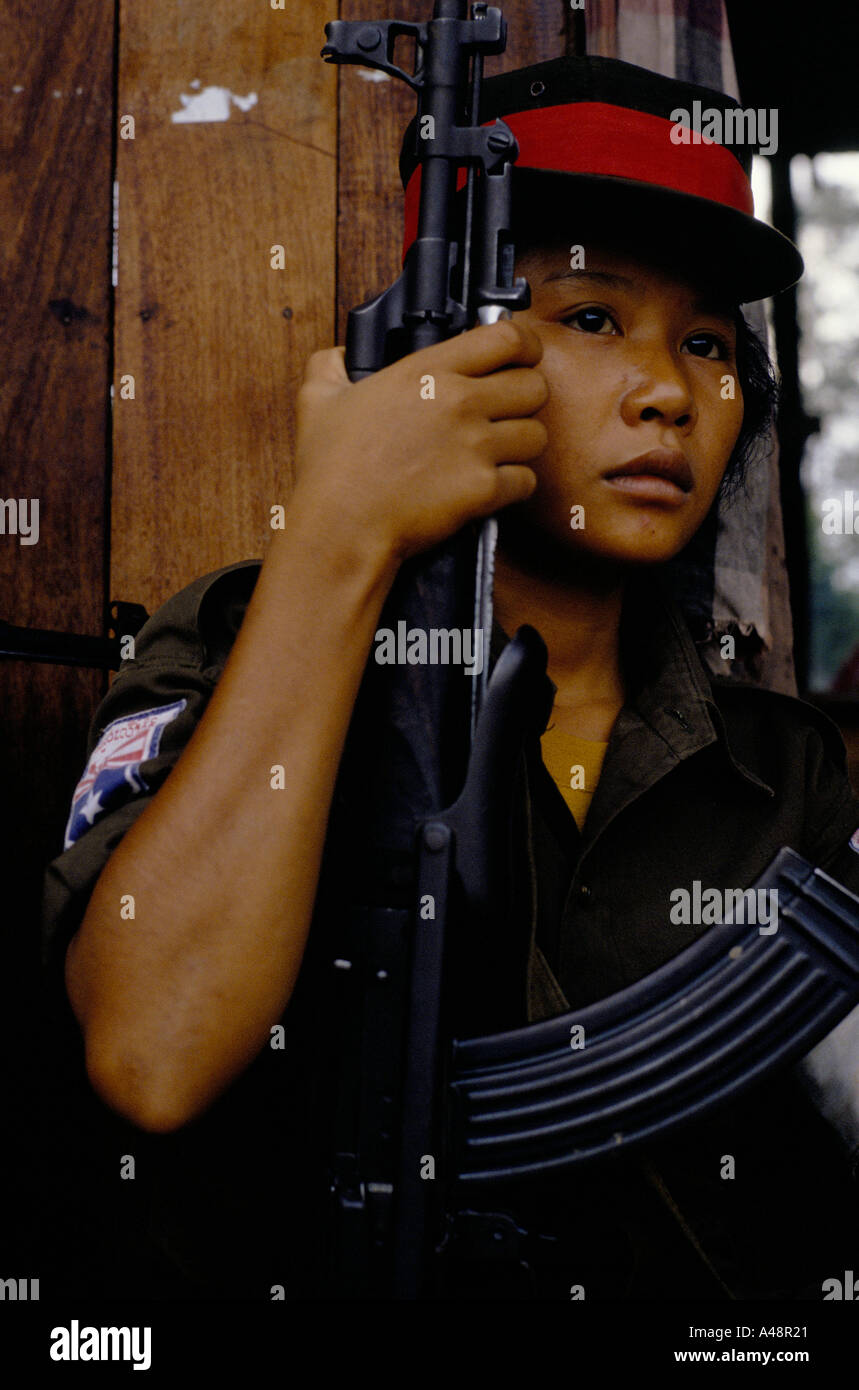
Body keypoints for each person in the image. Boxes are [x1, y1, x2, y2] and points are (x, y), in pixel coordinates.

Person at [43, 55, 859, 1299]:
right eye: (592, 318)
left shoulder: (786, 770)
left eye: (706, 344)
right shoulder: (231, 644)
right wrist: (338, 541)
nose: (667, 394)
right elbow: (153, 1054)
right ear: (453, 351)